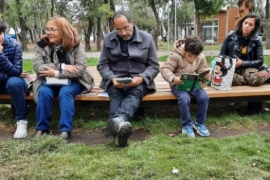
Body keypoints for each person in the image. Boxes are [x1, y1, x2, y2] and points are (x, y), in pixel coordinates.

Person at [97, 10, 160, 147]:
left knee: (135, 93)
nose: (123, 33)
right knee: (115, 94)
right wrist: (112, 78)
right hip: (116, 80)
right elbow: (102, 65)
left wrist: (142, 78)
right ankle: (121, 126)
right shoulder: (108, 39)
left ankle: (117, 122)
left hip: (139, 80)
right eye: (118, 29)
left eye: (126, 27)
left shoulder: (147, 38)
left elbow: (154, 66)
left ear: (132, 23)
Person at [32, 16, 94, 141]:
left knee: (65, 92)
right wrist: (62, 66)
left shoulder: (75, 45)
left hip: (74, 81)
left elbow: (80, 69)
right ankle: (42, 129)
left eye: (53, 30)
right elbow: (38, 67)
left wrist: (55, 73)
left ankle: (65, 131)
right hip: (49, 81)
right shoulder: (42, 45)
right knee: (43, 92)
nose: (48, 32)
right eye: (47, 29)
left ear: (63, 31)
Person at [160, 36, 210, 138]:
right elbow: (165, 69)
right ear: (184, 51)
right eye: (189, 56)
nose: (192, 59)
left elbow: (202, 69)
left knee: (204, 97)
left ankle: (200, 123)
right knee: (184, 98)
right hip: (178, 85)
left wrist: (205, 75)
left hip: (194, 84)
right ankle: (187, 125)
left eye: (195, 57)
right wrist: (174, 78)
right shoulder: (175, 56)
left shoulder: (200, 57)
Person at [220, 13, 270, 115]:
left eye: (250, 24)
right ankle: (253, 78)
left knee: (253, 79)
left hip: (249, 67)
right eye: (245, 22)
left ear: (254, 27)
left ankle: (267, 72)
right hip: (233, 68)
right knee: (228, 79)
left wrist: (242, 63)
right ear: (242, 23)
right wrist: (232, 62)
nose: (246, 26)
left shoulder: (257, 40)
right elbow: (221, 55)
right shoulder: (230, 36)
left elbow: (260, 60)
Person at [0, 21, 28, 139]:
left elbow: (17, 71)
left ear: (1, 34)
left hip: (14, 84)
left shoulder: (13, 44)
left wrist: (0, 54)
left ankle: (21, 121)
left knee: (14, 82)